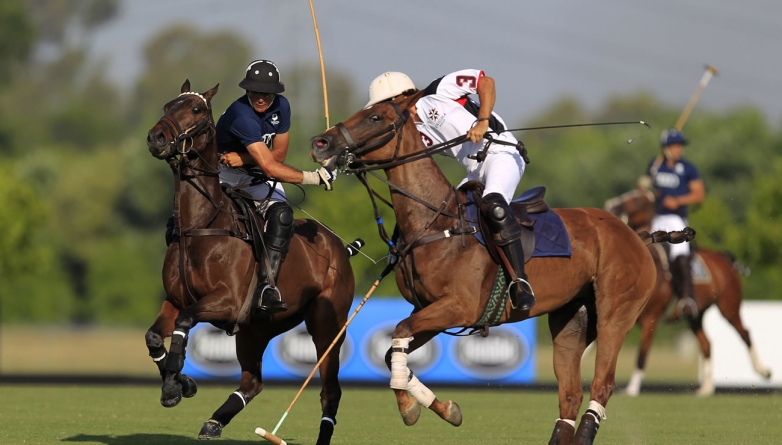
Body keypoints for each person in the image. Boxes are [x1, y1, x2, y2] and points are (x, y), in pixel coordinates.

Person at [167, 59, 336, 315]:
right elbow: (270, 167)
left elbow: (277, 155)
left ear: (275, 93)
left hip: (255, 174)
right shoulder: (241, 115)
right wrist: (315, 178)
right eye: (255, 92)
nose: (260, 98)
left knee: (282, 216)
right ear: (247, 91)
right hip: (223, 174)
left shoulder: (282, 106)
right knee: (181, 216)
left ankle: (267, 287)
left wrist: (245, 158)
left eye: (266, 94)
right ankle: (178, 275)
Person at [365, 70, 535, 311]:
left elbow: (486, 82)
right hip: (474, 171)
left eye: (385, 105)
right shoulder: (411, 132)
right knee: (441, 217)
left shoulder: (439, 89)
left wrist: (482, 120)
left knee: (494, 206)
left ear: (402, 97)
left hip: (501, 154)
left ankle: (520, 282)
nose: (383, 112)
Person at [646, 128, 705, 319]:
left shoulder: (688, 168)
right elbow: (644, 188)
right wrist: (647, 184)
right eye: (675, 145)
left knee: (680, 252)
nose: (679, 149)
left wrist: (678, 201)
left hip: (676, 219)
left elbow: (698, 194)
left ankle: (687, 297)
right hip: (656, 217)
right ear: (666, 148)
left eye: (680, 146)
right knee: (644, 247)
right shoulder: (655, 166)